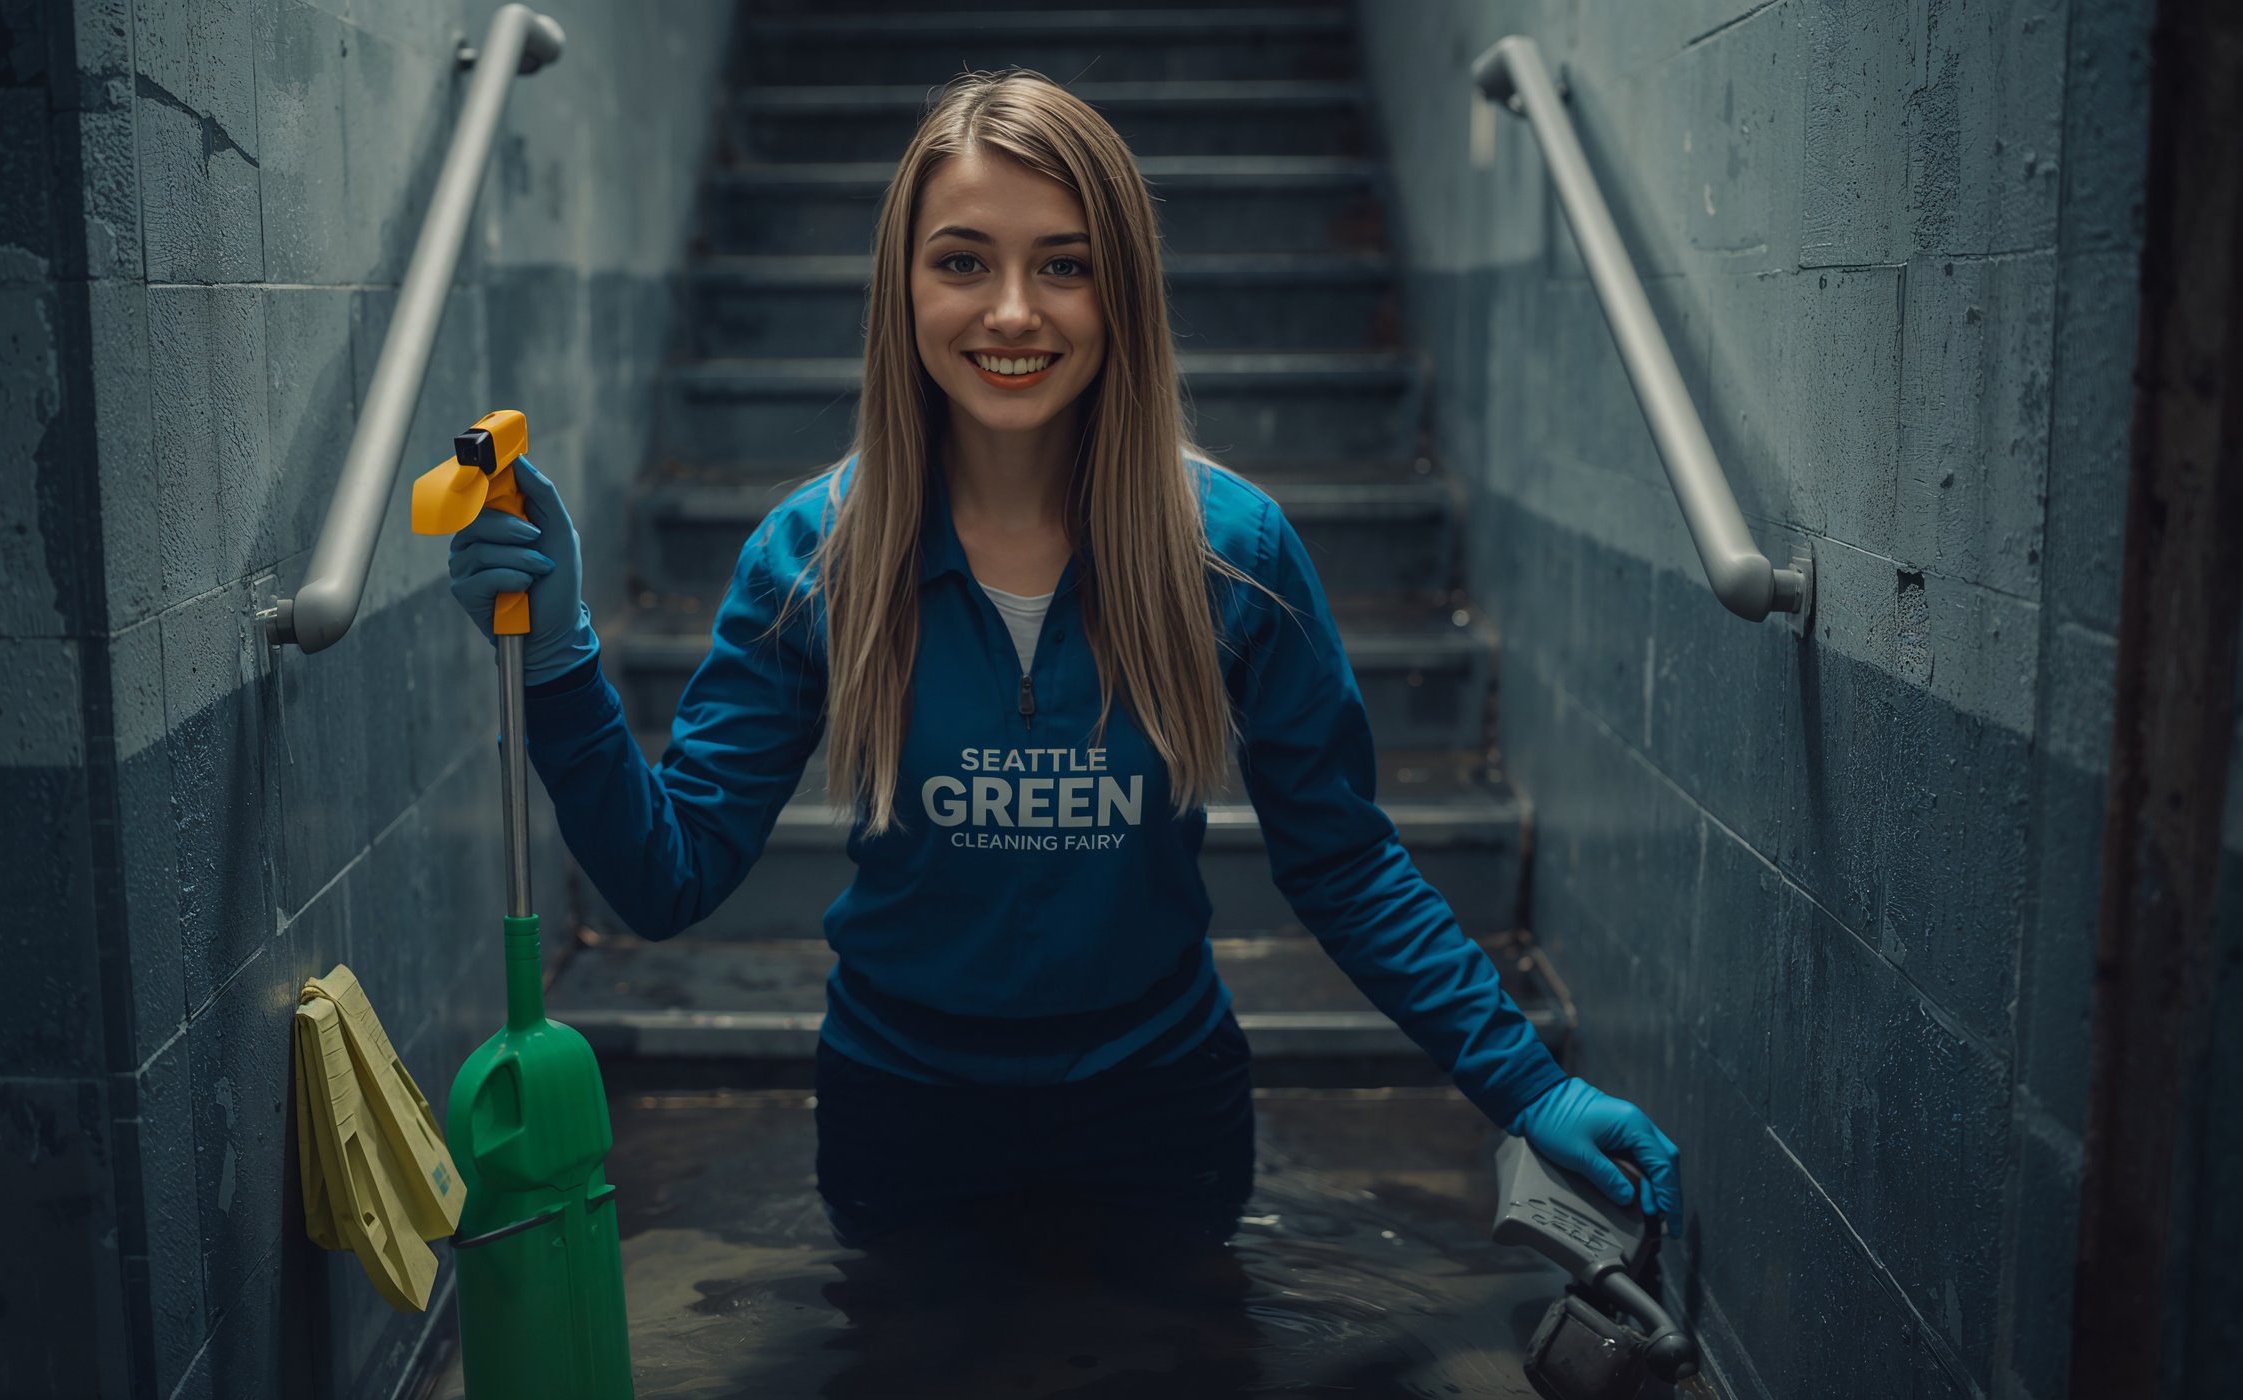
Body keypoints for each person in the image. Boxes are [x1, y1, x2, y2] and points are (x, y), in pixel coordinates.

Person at [445, 69, 1682, 1256]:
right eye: (963, 261)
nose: (1014, 312)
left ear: (1121, 293)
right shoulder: (813, 555)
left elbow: (1344, 862)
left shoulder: (1232, 552)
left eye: (1065, 265)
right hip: (901, 1115)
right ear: (904, 287)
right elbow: (666, 878)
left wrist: (1527, 1085)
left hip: (1160, 1112)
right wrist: (556, 662)